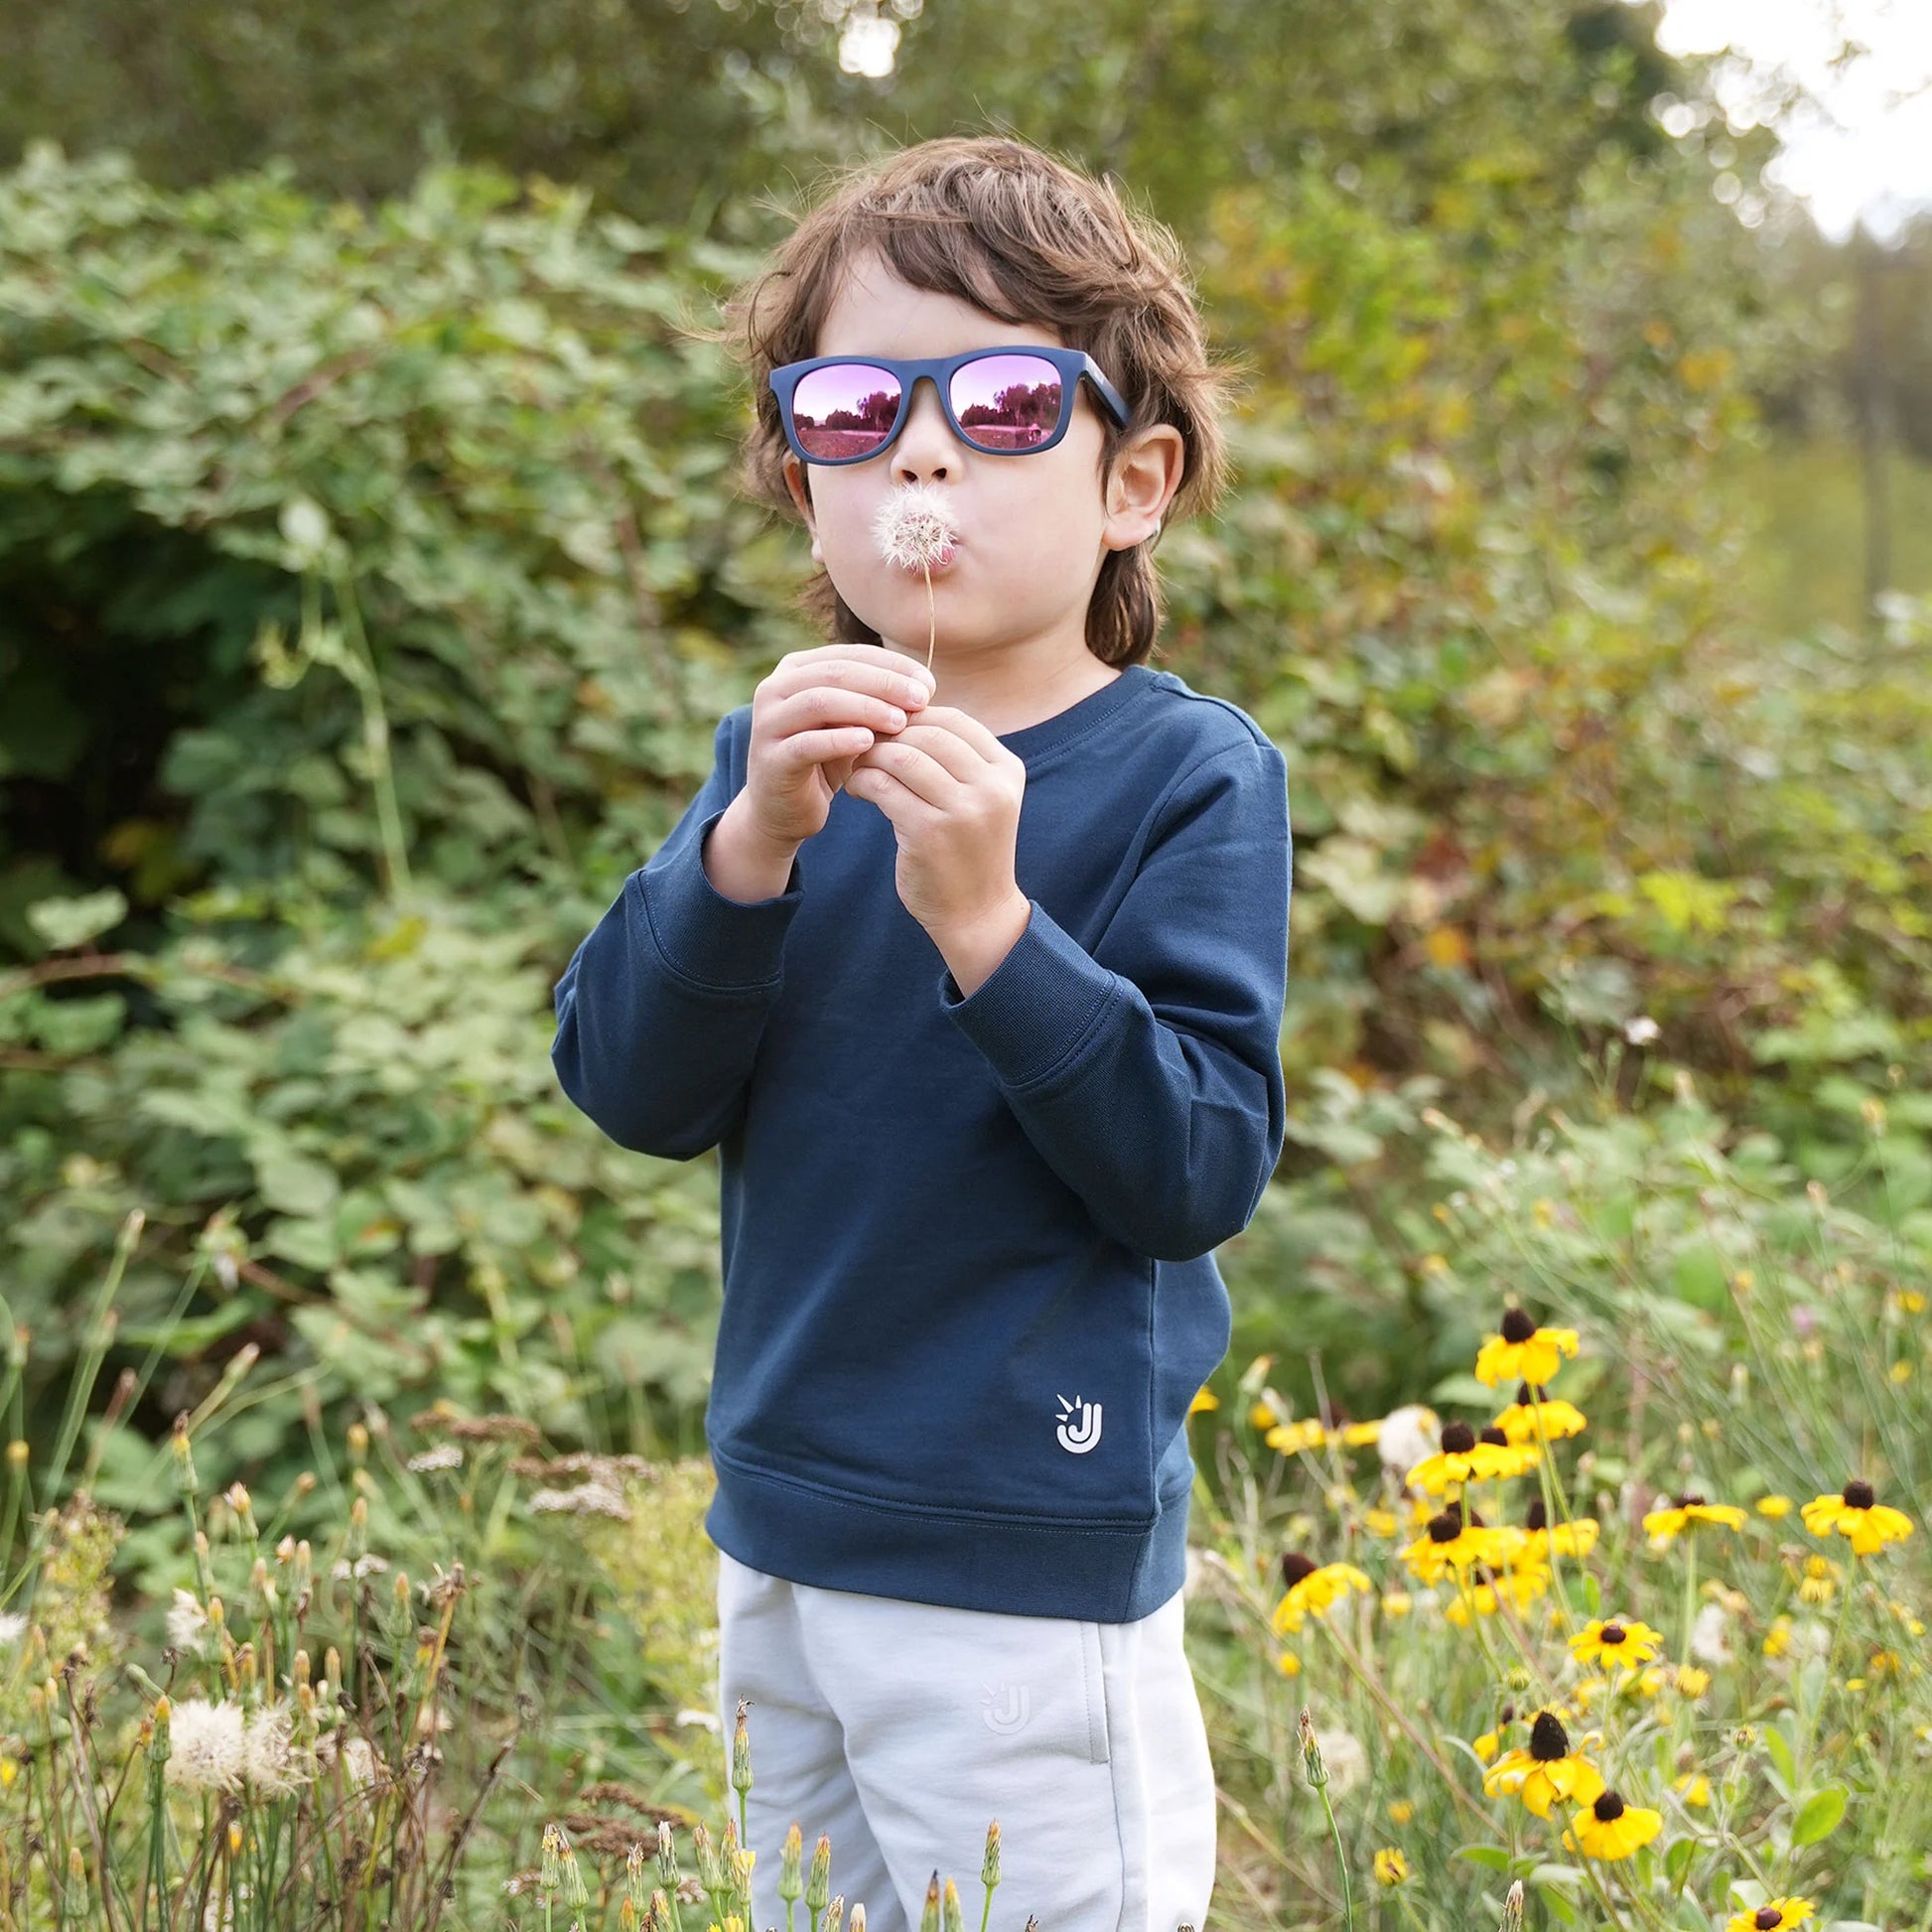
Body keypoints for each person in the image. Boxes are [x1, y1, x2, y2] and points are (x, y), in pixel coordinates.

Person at [550, 133, 1292, 1932]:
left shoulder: (1185, 776)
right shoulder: (777, 770)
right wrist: (744, 852)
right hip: (784, 1524)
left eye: (1007, 400)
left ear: (1134, 482)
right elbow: (628, 1087)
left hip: (1021, 1552)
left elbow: (1192, 1168)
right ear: (801, 478)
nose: (923, 449)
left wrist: (989, 924)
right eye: (854, 405)